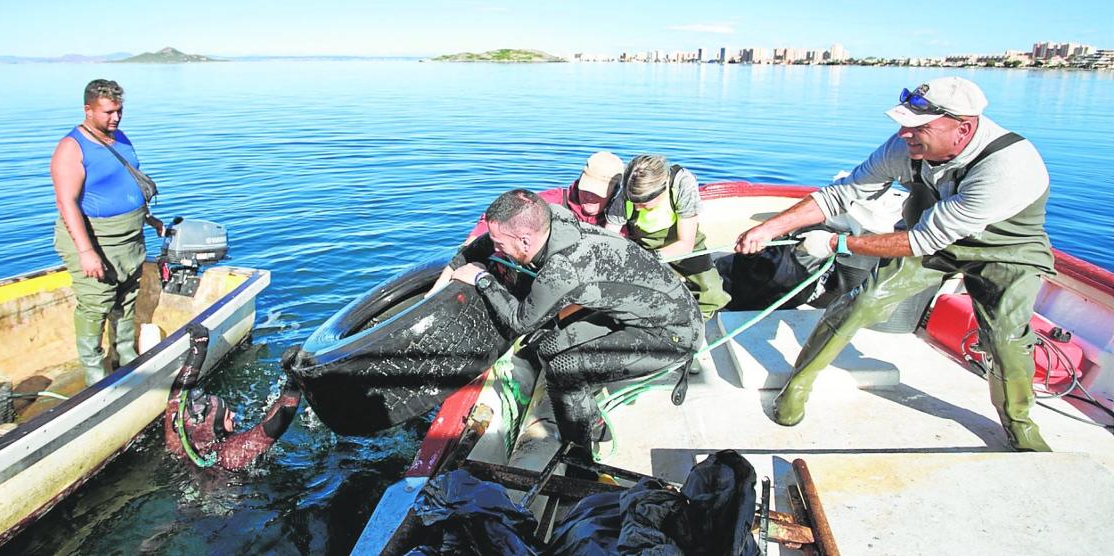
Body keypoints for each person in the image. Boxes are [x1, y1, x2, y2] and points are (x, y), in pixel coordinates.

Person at [734, 76, 1054, 452]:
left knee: (1004, 337)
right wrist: (772, 227)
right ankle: (797, 386)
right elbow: (843, 193)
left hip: (1005, 253)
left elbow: (921, 240)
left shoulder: (1007, 166)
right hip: (933, 239)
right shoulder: (906, 146)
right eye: (904, 124)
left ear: (962, 128)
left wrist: (835, 242)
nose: (905, 134)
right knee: (861, 302)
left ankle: (1019, 424)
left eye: (919, 127)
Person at [449, 189, 703, 455]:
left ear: (525, 241)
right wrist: (457, 263)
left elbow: (520, 322)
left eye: (500, 244)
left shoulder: (563, 269)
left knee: (564, 368)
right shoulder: (556, 220)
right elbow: (489, 244)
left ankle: (578, 453)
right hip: (640, 313)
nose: (497, 250)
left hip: (673, 334)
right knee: (547, 345)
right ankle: (590, 420)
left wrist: (483, 280)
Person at [51, 79, 163, 385]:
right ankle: (94, 372)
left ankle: (124, 354)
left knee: (127, 297)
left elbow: (127, 183)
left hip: (129, 239)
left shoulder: (120, 138)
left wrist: (148, 218)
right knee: (96, 303)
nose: (115, 118)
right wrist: (87, 252)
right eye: (108, 112)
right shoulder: (71, 149)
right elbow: (67, 203)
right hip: (97, 240)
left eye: (119, 111)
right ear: (88, 110)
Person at [427, 151, 624, 297]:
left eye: (598, 194)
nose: (589, 197)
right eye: (586, 189)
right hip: (535, 277)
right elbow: (500, 214)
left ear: (615, 191)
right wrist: (473, 240)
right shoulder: (550, 200)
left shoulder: (621, 221)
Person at [605, 155, 730, 321]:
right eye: (633, 201)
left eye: (643, 202)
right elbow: (609, 237)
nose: (636, 207)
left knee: (711, 291)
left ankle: (697, 321)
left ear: (661, 189)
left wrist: (649, 260)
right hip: (643, 245)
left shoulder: (681, 183)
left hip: (683, 243)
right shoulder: (628, 191)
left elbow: (685, 243)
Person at [164, 325, 302, 470]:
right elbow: (273, 427)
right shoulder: (230, 455)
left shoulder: (178, 444)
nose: (235, 415)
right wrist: (294, 383)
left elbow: (177, 396)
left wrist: (199, 349)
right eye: (228, 417)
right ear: (216, 428)